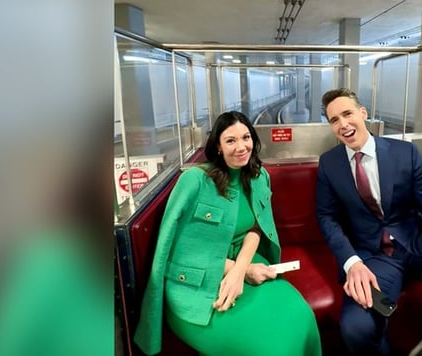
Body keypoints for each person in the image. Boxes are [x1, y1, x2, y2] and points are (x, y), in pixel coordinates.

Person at [134, 111, 321, 356]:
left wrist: (243, 269)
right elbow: (176, 250)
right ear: (219, 147)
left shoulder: (258, 176)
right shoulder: (195, 181)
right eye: (230, 140)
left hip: (247, 261)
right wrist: (235, 271)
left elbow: (256, 228)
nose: (241, 147)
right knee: (271, 347)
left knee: (300, 316)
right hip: (194, 282)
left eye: (246, 137)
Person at [315, 88, 422, 355]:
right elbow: (326, 217)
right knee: (356, 328)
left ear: (363, 113)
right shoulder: (329, 164)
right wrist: (352, 262)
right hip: (375, 256)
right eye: (334, 120)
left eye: (347, 114)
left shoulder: (405, 153)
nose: (343, 124)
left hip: (420, 239)